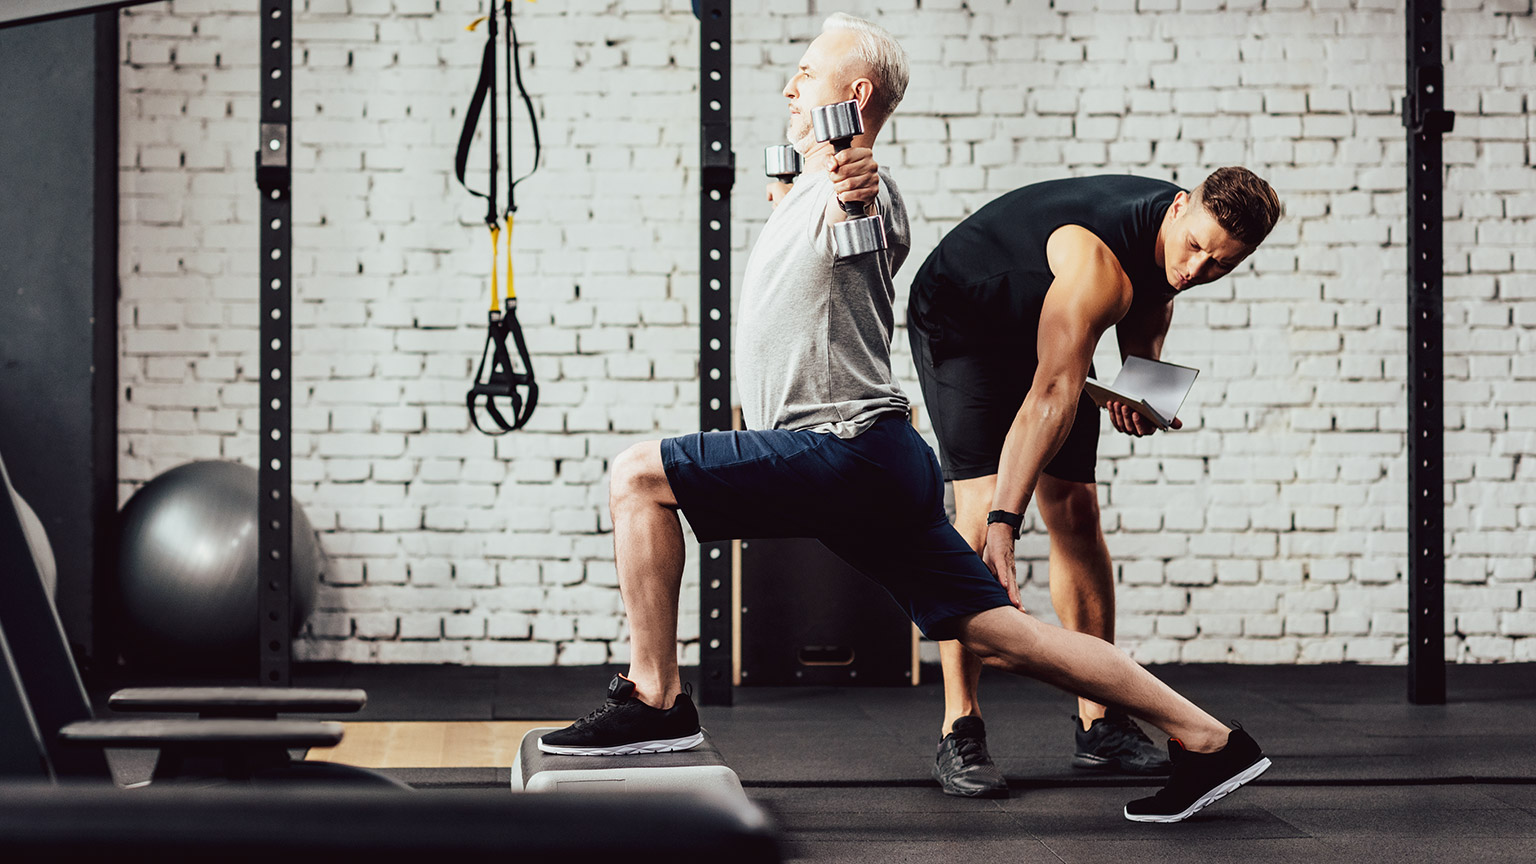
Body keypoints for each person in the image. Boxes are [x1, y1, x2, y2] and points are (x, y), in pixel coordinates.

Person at [539, 13, 1271, 823]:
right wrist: (799, 183)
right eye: (1198, 248)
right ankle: (1207, 738)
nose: (790, 82)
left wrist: (1020, 501)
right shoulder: (807, 190)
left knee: (639, 476)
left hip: (848, 447)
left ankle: (656, 699)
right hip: (898, 433)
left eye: (807, 72)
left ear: (853, 99)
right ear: (1178, 210)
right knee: (1003, 632)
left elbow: (871, 222)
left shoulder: (864, 190)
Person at [907, 168, 1284, 798]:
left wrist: (1142, 398)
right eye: (1194, 247)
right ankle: (960, 727)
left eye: (1221, 265)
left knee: (1077, 510)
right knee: (977, 513)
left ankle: (1101, 723)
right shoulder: (1099, 265)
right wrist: (1005, 522)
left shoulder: (1168, 265)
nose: (1196, 270)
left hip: (1053, 329)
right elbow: (1052, 391)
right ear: (1180, 206)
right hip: (963, 321)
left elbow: (1137, 345)